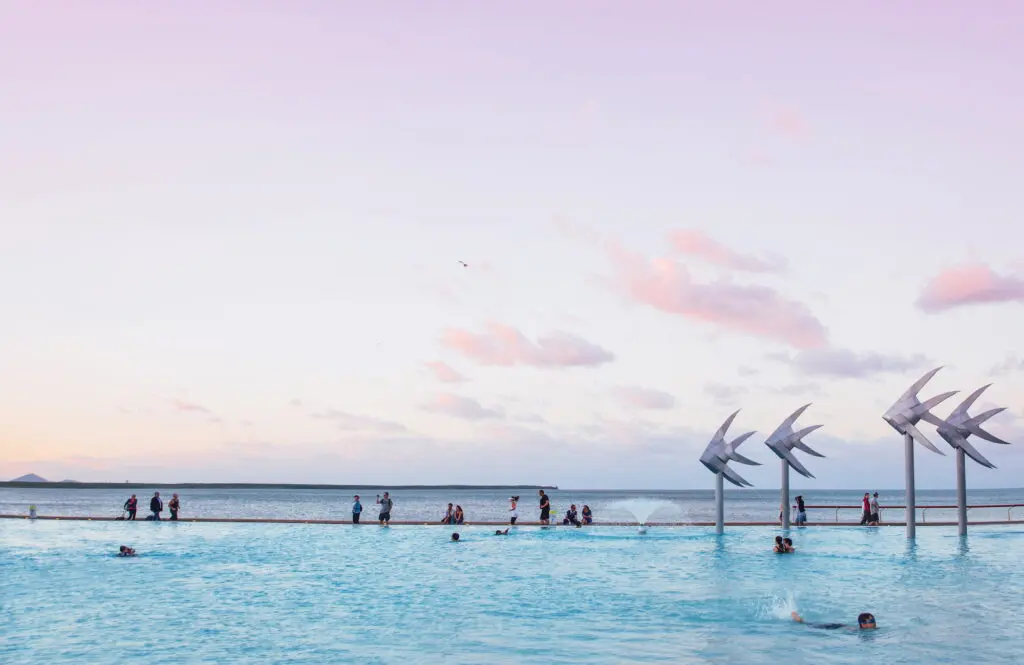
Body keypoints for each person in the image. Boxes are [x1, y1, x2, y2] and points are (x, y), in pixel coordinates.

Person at [791, 611, 877, 631]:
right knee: (812, 625)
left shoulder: (875, 629)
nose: (873, 623)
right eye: (869, 622)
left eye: (873, 621)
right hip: (834, 627)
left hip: (839, 625)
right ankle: (800, 620)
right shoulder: (856, 630)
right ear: (863, 624)